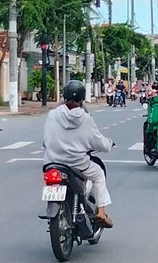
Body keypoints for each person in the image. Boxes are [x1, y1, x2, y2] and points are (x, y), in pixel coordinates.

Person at [43, 80, 114, 228]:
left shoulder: (52, 115)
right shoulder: (86, 119)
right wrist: (108, 143)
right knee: (99, 174)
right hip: (78, 165)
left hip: (52, 164)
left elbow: (45, 141)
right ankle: (101, 212)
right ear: (82, 99)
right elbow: (99, 143)